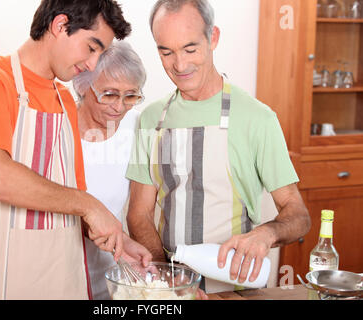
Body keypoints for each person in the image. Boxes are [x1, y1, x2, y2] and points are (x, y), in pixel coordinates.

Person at [0, 0, 139, 300]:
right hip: (2, 277)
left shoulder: (65, 101)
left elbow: (73, 206)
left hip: (61, 280)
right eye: (91, 47)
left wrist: (122, 242)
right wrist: (90, 205)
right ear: (60, 25)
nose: (93, 65)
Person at [126, 0, 311, 294]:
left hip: (237, 287)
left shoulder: (257, 118)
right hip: (173, 289)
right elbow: (139, 214)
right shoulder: (151, 119)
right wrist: (169, 280)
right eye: (166, 51)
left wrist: (267, 232)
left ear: (213, 38)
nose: (180, 64)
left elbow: (298, 214)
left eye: (190, 49)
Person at [73, 41, 152, 300]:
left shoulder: (136, 125)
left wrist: (127, 245)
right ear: (83, 86)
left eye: (130, 95)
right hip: (58, 276)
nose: (119, 107)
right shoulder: (57, 126)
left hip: (112, 277)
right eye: (109, 94)